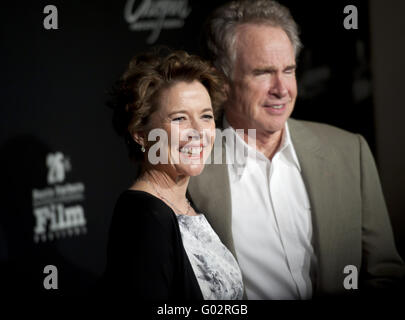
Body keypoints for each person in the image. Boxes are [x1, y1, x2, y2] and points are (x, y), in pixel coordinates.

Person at [188, 0, 405, 299]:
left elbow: (385, 272)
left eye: (288, 70)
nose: (282, 88)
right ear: (222, 82)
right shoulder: (189, 169)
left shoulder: (348, 151)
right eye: (263, 73)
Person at [104, 49, 244, 300]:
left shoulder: (186, 202)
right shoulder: (144, 217)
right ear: (139, 132)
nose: (198, 132)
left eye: (206, 116)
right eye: (180, 119)